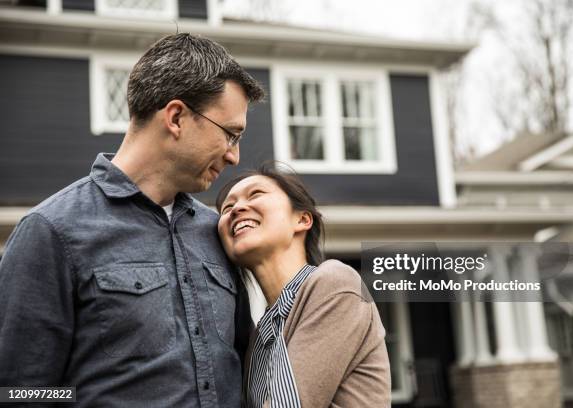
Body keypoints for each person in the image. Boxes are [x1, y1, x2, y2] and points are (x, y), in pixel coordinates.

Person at [0, 33, 264, 407]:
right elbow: (20, 392)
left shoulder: (216, 231)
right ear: (176, 118)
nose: (235, 156)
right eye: (230, 134)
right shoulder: (51, 232)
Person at [216, 163, 391, 408]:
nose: (237, 209)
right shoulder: (258, 336)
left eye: (256, 194)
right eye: (227, 207)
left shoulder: (336, 283)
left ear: (302, 219)